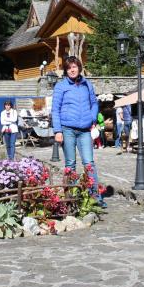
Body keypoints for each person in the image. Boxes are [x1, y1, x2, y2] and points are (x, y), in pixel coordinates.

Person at [52, 56, 105, 207]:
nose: (72, 70)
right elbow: (55, 110)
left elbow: (94, 103)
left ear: (79, 68)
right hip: (67, 129)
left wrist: (92, 118)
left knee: (89, 163)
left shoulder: (87, 84)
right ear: (66, 70)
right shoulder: (61, 86)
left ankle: (95, 197)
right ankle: (72, 198)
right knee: (71, 163)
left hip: (85, 131)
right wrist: (57, 130)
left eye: (74, 67)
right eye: (69, 68)